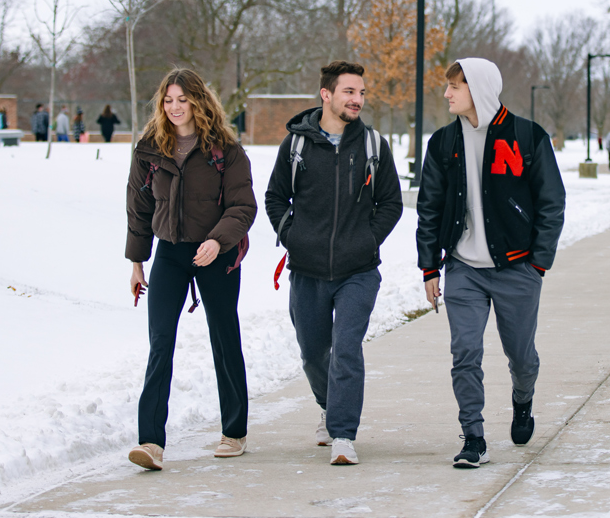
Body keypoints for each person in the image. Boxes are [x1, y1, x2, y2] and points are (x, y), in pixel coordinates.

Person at [417, 59, 565, 469]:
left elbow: (552, 203)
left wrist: (539, 264)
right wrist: (429, 267)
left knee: (521, 356)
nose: (447, 94)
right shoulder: (443, 142)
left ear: (478, 88)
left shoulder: (527, 136)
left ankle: (522, 399)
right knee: (464, 352)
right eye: (447, 87)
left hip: (517, 269)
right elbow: (428, 208)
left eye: (455, 86)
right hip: (464, 268)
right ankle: (474, 437)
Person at [264, 61, 403, 466]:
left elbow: (390, 203)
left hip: (358, 270)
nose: (357, 99)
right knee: (312, 353)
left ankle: (343, 434)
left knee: (346, 348)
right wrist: (293, 237)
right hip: (306, 270)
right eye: (349, 92)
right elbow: (275, 198)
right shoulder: (296, 145)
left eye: (361, 93)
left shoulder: (374, 146)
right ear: (326, 94)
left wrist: (367, 240)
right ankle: (330, 405)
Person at [126, 69, 258, 472]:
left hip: (216, 254)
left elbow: (243, 207)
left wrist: (218, 240)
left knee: (223, 336)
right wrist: (137, 261)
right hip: (169, 252)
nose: (175, 107)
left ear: (199, 101)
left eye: (183, 99)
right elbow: (139, 209)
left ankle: (234, 432)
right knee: (160, 341)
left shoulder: (226, 151)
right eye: (168, 100)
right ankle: (150, 442)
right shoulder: (149, 149)